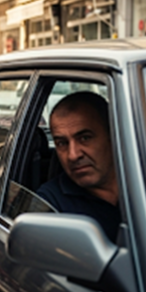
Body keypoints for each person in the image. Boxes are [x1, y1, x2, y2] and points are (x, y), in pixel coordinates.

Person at [36, 92, 121, 242]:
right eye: (62, 143)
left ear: (112, 135)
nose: (73, 155)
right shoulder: (50, 204)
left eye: (85, 138)